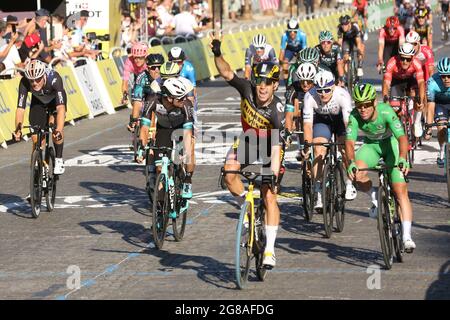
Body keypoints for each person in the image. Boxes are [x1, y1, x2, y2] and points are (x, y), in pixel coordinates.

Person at [210, 33, 285, 268]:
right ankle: (247, 206)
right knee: (228, 172)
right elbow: (226, 72)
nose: (262, 87)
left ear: (275, 85)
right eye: (259, 81)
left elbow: (276, 145)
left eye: (267, 83)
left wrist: (272, 173)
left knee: (269, 194)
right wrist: (217, 53)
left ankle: (270, 250)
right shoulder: (247, 90)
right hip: (249, 140)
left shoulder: (277, 110)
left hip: (271, 145)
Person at [346, 83, 416, 252]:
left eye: (366, 105)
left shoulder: (386, 111)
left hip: (390, 145)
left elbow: (402, 138)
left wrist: (402, 159)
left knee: (400, 191)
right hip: (371, 147)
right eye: (359, 105)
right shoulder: (354, 116)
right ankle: (375, 196)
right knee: (357, 175)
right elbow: (349, 142)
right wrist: (351, 162)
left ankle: (407, 236)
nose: (362, 109)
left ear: (374, 103)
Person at [301, 70, 356, 209]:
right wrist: (307, 146)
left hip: (340, 121)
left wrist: (347, 144)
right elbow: (307, 126)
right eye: (320, 90)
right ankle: (319, 191)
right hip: (322, 122)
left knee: (345, 148)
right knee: (318, 149)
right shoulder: (309, 96)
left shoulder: (342, 95)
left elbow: (348, 125)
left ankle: (349, 183)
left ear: (333, 87)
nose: (323, 93)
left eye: (327, 89)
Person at [142, 76, 195, 202]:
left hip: (181, 129)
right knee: (160, 168)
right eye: (180, 97)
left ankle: (187, 180)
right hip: (163, 130)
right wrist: (141, 147)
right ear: (169, 98)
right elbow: (144, 127)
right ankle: (160, 207)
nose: (184, 99)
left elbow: (187, 133)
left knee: (190, 150)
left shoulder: (186, 105)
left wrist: (186, 153)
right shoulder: (153, 101)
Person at [13, 60, 67, 181]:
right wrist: (18, 129)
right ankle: (37, 177)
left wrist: (58, 129)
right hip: (38, 102)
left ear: (43, 75)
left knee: (55, 128)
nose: (34, 83)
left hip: (54, 102)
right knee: (37, 139)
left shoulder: (54, 79)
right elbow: (20, 109)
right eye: (31, 80)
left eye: (37, 79)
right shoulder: (24, 82)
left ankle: (58, 159)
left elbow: (61, 108)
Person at [382, 42, 426, 138]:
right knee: (394, 108)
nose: (405, 61)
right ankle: (397, 129)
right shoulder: (392, 62)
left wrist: (421, 100)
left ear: (412, 58)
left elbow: (421, 83)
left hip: (410, 81)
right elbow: (386, 82)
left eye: (408, 59)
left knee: (418, 99)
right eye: (402, 58)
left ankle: (417, 122)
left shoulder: (416, 63)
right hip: (396, 82)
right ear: (399, 56)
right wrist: (385, 97)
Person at [129, 53, 165, 163]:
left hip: (162, 101)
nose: (157, 70)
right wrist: (134, 120)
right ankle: (142, 146)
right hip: (146, 99)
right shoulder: (141, 78)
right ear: (148, 68)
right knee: (144, 112)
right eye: (154, 68)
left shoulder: (166, 76)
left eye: (160, 67)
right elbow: (137, 101)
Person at [285, 62, 317, 160]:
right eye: (302, 81)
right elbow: (288, 114)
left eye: (308, 81)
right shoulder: (293, 88)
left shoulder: (319, 87)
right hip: (302, 117)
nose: (305, 84)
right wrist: (288, 133)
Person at [425, 57, 450, 167]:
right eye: (443, 76)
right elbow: (430, 105)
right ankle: (442, 151)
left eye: (449, 76)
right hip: (440, 105)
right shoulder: (432, 82)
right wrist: (429, 127)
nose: (446, 79)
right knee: (441, 128)